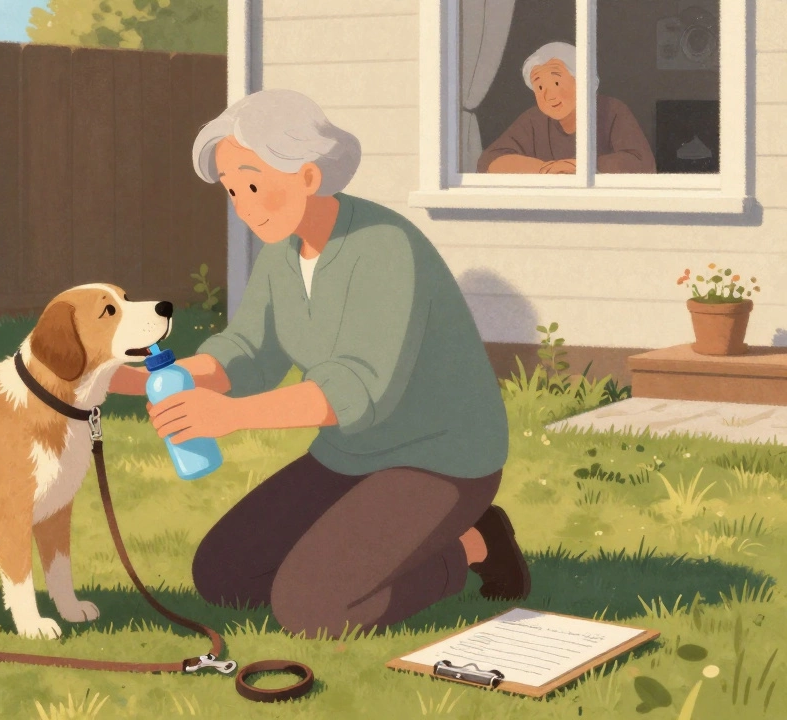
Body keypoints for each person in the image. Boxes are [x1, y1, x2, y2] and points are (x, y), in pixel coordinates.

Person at [108, 89, 530, 640]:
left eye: (254, 185)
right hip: (349, 455)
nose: (244, 205)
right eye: (233, 191)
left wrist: (229, 418)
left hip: (438, 460)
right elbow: (250, 352)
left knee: (313, 608)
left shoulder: (384, 248)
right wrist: (156, 380)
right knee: (224, 577)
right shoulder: (283, 253)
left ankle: (473, 545)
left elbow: (357, 387)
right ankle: (363, 551)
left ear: (308, 175)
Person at [478, 41, 656, 174]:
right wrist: (544, 169)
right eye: (539, 87)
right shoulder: (533, 120)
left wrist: (578, 167)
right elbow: (489, 160)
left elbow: (641, 163)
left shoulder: (612, 111)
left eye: (556, 82)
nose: (549, 95)